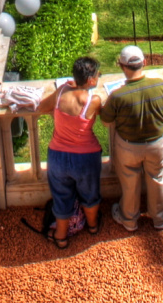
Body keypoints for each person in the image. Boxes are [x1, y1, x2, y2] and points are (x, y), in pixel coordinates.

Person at [99, 44, 163, 231]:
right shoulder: (160, 85)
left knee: (129, 182)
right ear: (144, 62)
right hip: (157, 144)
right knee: (157, 178)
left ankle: (129, 220)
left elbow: (105, 121)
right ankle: (160, 218)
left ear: (121, 66)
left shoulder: (117, 95)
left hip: (128, 147)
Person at [34, 56, 104, 247]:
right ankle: (92, 227)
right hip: (86, 157)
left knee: (61, 195)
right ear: (91, 80)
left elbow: (42, 107)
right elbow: (105, 119)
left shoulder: (62, 91)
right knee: (90, 194)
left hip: (58, 156)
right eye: (98, 75)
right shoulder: (94, 100)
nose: (98, 77)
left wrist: (67, 88)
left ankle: (61, 237)